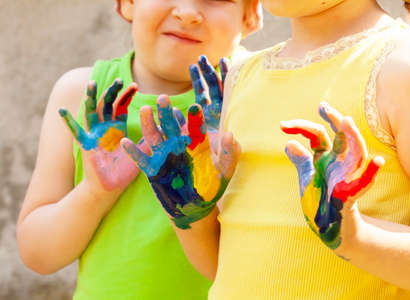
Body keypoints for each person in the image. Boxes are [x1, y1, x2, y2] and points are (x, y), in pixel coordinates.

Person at [122, 0, 410, 299]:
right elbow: (225, 269)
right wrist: (190, 216)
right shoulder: (242, 77)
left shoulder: (408, 69)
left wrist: (357, 238)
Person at [16, 0, 262, 299]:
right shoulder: (80, 94)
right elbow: (39, 256)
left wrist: (196, 205)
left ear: (251, 15)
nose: (186, 12)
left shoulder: (258, 94)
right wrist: (95, 192)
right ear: (127, 3)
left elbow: (261, 269)